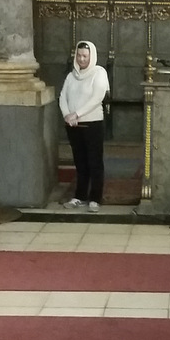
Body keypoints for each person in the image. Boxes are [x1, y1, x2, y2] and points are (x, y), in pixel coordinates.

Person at [59, 40, 110, 213]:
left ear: (91, 56)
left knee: (94, 162)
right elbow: (63, 96)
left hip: (92, 124)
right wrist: (67, 115)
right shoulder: (71, 76)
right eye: (79, 56)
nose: (81, 59)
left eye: (85, 56)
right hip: (73, 125)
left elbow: (97, 97)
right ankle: (79, 196)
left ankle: (95, 198)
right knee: (80, 162)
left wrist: (77, 114)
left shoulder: (99, 73)